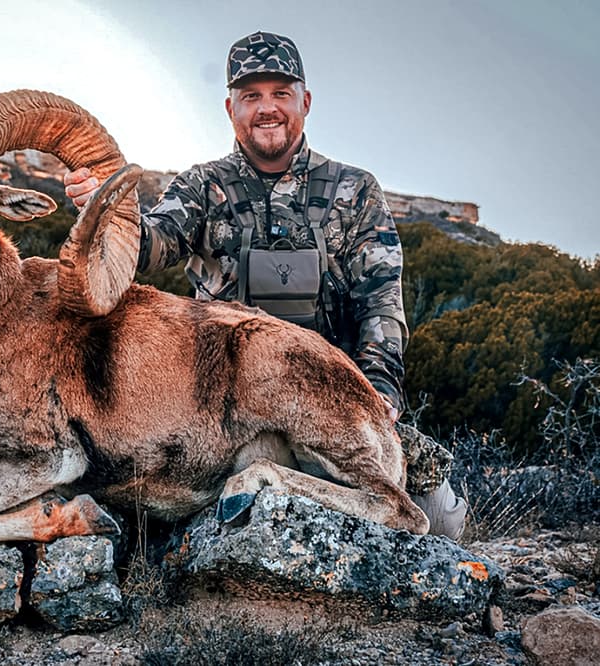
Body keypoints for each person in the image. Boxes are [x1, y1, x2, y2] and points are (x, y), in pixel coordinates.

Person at [64, 31, 467, 539]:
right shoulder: (201, 187)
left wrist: (379, 389)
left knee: (441, 523)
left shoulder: (356, 190)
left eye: (280, 93)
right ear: (230, 108)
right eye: (251, 95)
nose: (267, 108)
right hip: (219, 412)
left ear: (305, 101)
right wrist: (104, 211)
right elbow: (148, 246)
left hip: (330, 404)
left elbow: (381, 302)